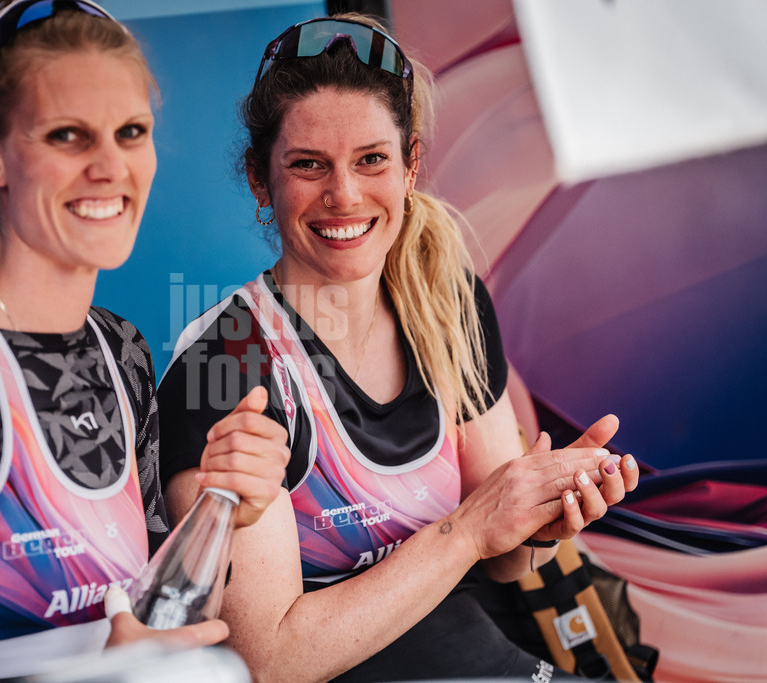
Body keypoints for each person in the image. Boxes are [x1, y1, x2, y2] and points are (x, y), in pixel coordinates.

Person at [156, 13, 640, 681]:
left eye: (371, 160)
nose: (344, 194)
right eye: (308, 165)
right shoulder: (225, 362)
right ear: (260, 180)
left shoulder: (447, 302)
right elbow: (267, 660)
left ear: (411, 165)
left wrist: (541, 522)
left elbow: (502, 556)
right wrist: (470, 527)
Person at [0, 1, 289, 679]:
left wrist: (223, 508)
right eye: (68, 135)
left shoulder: (121, 349)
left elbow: (161, 622)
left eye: (130, 131)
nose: (108, 166)